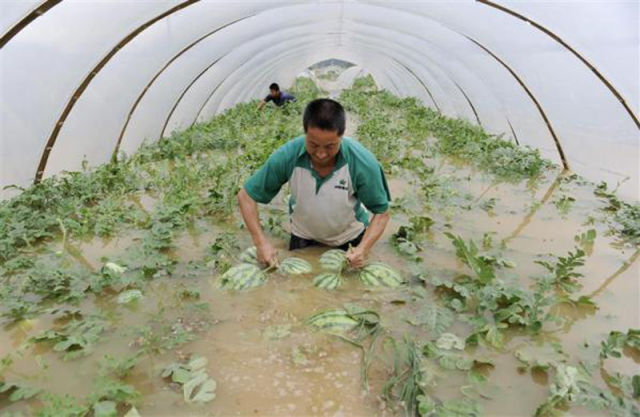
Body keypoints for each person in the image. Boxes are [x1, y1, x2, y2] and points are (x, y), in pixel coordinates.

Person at [237, 98, 391, 269]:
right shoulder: (288, 156)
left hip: (349, 241)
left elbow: (382, 213)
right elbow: (246, 196)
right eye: (313, 144)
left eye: (330, 146)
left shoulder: (362, 162)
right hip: (303, 237)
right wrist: (261, 243)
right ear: (305, 133)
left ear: (342, 135)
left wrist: (362, 249)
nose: (321, 153)